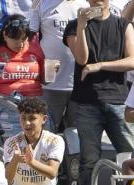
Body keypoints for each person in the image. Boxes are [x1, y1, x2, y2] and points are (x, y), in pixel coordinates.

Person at [64, 0, 134, 185]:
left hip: (119, 100)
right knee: (88, 161)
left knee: (129, 157)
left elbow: (133, 61)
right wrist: (81, 25)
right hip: (87, 102)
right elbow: (82, 59)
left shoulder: (123, 24)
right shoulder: (73, 25)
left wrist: (100, 65)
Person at [31, 0, 90, 133]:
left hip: (80, 82)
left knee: (76, 132)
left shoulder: (86, 5)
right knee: (46, 130)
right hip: (50, 83)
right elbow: (30, 38)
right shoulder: (40, 3)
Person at [3, 96, 64, 185]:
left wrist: (31, 162)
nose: (26, 123)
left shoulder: (54, 140)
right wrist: (15, 160)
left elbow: (52, 173)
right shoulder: (11, 142)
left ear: (44, 119)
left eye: (32, 118)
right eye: (23, 118)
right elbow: (7, 177)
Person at [0, 14, 46, 100]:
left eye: (24, 38)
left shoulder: (35, 48)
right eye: (16, 39)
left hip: (33, 100)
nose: (20, 44)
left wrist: (51, 72)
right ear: (5, 35)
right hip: (5, 101)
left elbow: (44, 81)